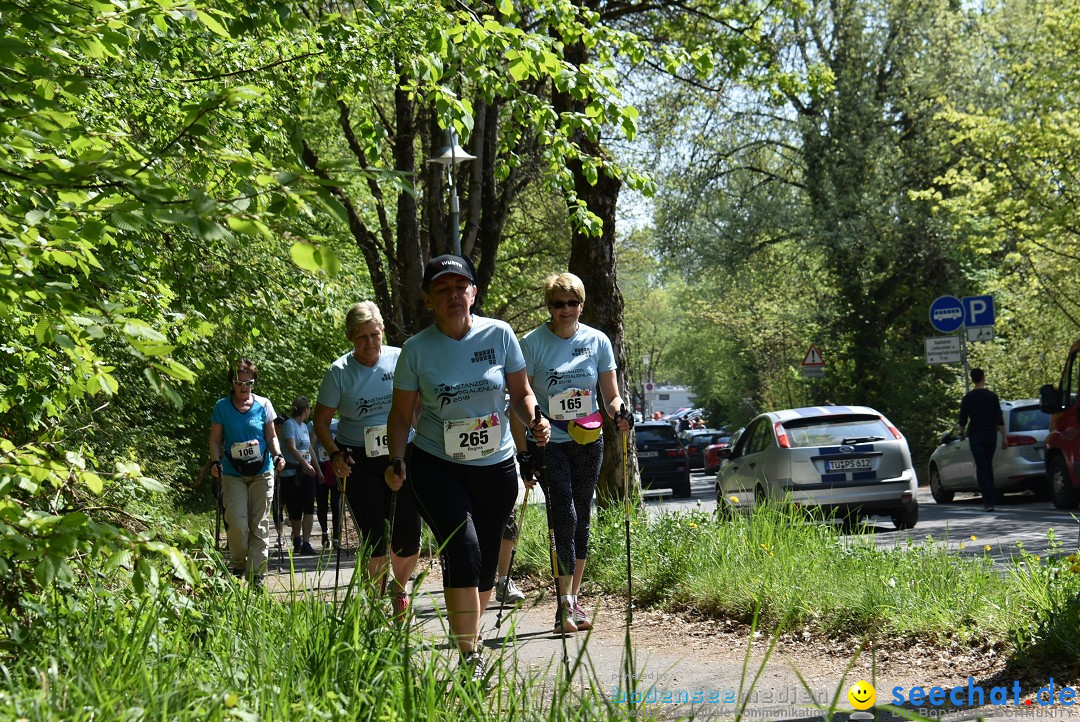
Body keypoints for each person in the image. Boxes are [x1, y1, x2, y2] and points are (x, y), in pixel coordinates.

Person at [383, 255, 550, 680]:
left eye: (462, 287)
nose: (454, 295)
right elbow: (402, 415)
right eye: (443, 289)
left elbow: (521, 391)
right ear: (428, 300)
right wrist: (397, 459)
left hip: (495, 467)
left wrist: (535, 418)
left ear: (474, 293)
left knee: (484, 563)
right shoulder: (417, 350)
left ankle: (469, 639)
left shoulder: (501, 334)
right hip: (437, 465)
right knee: (464, 548)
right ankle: (470, 656)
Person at [515, 272, 630, 634]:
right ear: (548, 307)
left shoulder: (597, 341)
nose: (565, 310)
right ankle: (562, 601)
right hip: (550, 442)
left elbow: (610, 396)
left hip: (588, 439)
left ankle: (573, 598)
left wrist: (621, 412)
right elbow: (520, 398)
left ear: (582, 304)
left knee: (582, 514)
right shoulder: (531, 343)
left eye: (572, 303)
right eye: (557, 304)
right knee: (562, 512)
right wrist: (526, 445)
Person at [314, 301, 422, 617]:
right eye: (361, 337)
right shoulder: (338, 372)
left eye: (374, 335)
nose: (370, 343)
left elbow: (417, 408)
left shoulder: (400, 359)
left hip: (402, 452)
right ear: (350, 338)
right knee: (374, 535)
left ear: (383, 331)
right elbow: (321, 422)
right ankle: (375, 603)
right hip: (358, 460)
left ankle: (399, 589)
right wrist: (334, 454)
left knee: (409, 534)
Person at [208, 359, 286, 586]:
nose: (244, 387)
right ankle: (239, 562)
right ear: (232, 383)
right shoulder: (222, 406)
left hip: (262, 470)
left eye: (248, 383)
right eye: (238, 383)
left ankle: (256, 575)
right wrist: (215, 462)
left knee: (259, 522)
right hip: (233, 472)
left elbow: (271, 436)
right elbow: (215, 440)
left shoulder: (264, 405)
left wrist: (278, 455)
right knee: (237, 522)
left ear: (254, 382)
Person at [958, 368, 1007, 512]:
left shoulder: (968, 398)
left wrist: (961, 434)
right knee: (988, 465)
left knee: (981, 466)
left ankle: (988, 500)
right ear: (983, 378)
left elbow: (963, 419)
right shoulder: (992, 396)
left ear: (972, 379)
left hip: (975, 435)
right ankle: (991, 497)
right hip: (990, 435)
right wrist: (1004, 438)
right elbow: (999, 419)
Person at [281, 396, 321, 555]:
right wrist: (305, 465)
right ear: (305, 410)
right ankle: (297, 538)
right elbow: (291, 447)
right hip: (291, 473)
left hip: (307, 473)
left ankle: (306, 542)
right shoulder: (289, 425)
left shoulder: (304, 426)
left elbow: (310, 448)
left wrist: (318, 469)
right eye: (309, 409)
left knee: (309, 507)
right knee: (295, 509)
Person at [312, 417, 341, 549]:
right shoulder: (312, 424)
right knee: (322, 503)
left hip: (335, 468)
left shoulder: (338, 424)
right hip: (321, 467)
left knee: (336, 504)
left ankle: (336, 536)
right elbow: (309, 445)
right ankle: (324, 531)